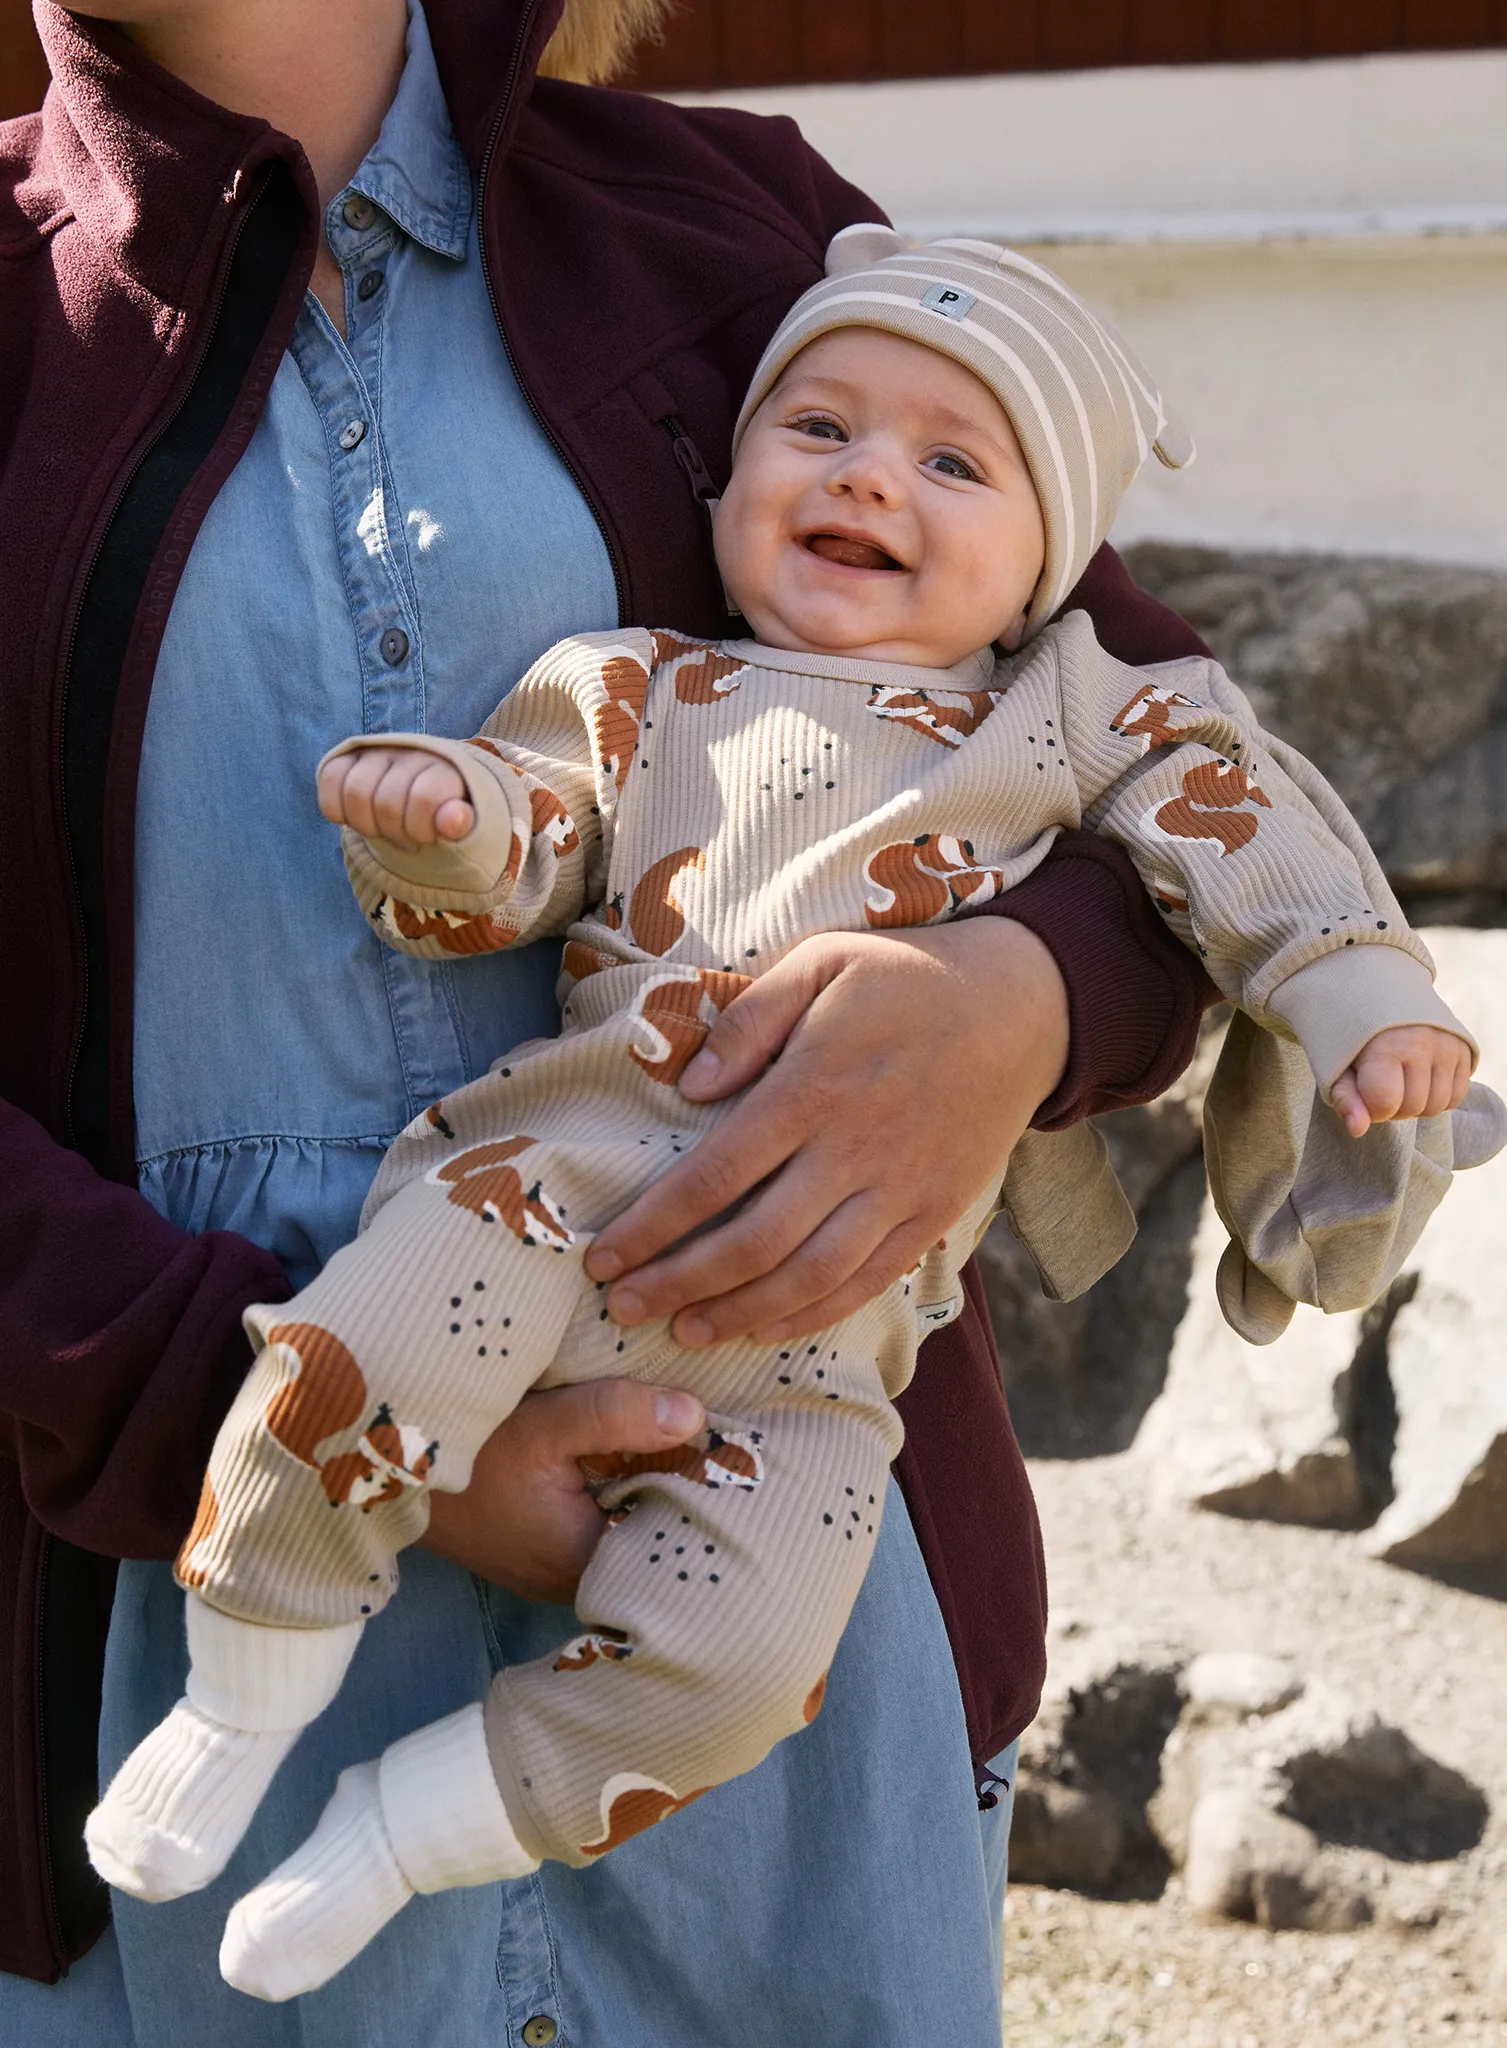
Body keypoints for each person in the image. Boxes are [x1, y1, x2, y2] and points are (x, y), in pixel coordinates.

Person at [1, 3, 1230, 2043]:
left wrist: (1007, 1004)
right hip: (153, 1594)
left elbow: (1151, 742)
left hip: (776, 1584)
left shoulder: (732, 228)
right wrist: (253, 1411)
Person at [86, 233, 1496, 2005]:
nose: (866, 476)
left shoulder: (1062, 708)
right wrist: (440, 817)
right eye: (817, 425)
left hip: (822, 1335)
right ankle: (242, 1689)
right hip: (556, 1189)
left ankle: (401, 1830)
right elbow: (511, 858)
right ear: (736, 474)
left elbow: (1244, 827)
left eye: (951, 464)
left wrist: (1364, 994)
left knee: (745, 1659)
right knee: (344, 1362)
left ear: (1046, 558)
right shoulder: (639, 683)